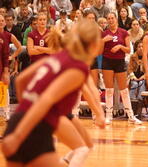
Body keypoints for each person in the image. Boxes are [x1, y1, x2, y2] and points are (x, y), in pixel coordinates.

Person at [2, 19, 105, 167]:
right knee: (82, 148)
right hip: (33, 130)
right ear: (95, 44)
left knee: (82, 148)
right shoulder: (77, 67)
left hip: (18, 121)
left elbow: (21, 80)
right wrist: (19, 135)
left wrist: (26, 108)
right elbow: (47, 98)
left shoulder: (58, 56)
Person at [102, 12, 142, 125]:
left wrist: (120, 47)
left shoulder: (124, 32)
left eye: (112, 18)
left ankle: (131, 116)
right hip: (107, 62)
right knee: (109, 90)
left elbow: (129, 50)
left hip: (119, 61)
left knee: (123, 89)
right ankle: (108, 116)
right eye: (108, 18)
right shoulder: (104, 33)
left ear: (116, 19)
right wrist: (103, 41)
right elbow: (99, 50)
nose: (110, 20)